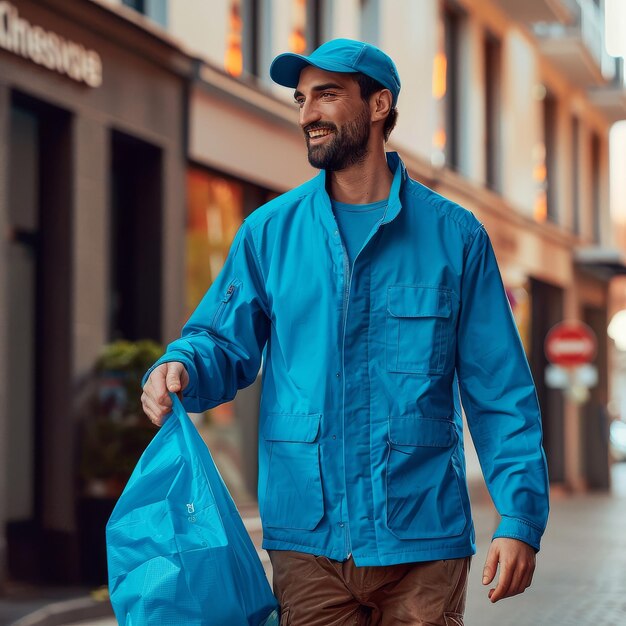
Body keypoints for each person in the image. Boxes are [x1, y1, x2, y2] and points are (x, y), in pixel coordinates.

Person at [141, 38, 549, 626]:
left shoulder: (456, 238)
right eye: (303, 98)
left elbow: (500, 392)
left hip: (422, 540)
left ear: (379, 104)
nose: (307, 113)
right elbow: (221, 341)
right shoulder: (269, 233)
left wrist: (519, 518)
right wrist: (180, 364)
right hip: (308, 540)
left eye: (327, 95)